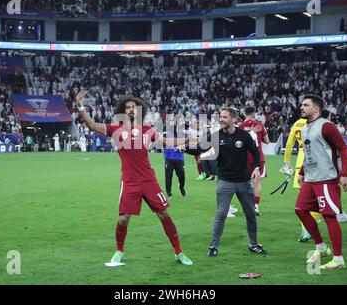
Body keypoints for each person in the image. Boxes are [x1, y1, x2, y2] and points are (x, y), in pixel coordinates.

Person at [76, 91, 193, 266]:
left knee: (164, 214)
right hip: (130, 181)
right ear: (122, 111)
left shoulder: (147, 130)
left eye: (133, 108)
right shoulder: (116, 130)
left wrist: (187, 139)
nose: (131, 110)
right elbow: (93, 125)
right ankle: (119, 251)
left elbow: (166, 142)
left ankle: (179, 252)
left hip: (149, 180)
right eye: (127, 108)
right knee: (123, 219)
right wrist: (81, 107)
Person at [184, 107, 267, 258]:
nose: (221, 119)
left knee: (250, 214)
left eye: (224, 117)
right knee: (221, 214)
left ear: (234, 119)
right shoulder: (216, 136)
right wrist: (185, 148)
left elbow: (255, 152)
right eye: (220, 117)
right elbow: (199, 149)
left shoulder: (244, 135)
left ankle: (253, 244)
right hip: (225, 181)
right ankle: (214, 246)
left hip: (243, 181)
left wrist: (256, 168)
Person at [296, 94, 347, 270]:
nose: (301, 107)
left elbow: (343, 147)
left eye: (306, 105)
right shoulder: (305, 128)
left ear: (316, 109)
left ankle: (338, 259)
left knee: (329, 216)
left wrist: (345, 173)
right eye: (301, 105)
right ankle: (321, 248)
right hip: (311, 179)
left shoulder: (326, 126)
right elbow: (308, 151)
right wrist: (302, 171)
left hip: (326, 179)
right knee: (300, 210)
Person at [282, 111, 347, 242]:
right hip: (317, 166)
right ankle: (308, 232)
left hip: (303, 163)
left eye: (305, 105)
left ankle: (311, 233)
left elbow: (288, 145)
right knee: (311, 205)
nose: (302, 107)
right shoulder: (315, 126)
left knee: (307, 205)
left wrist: (287, 162)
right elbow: (341, 148)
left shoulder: (299, 125)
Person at [239, 106, 270, 216]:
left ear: (245, 114)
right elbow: (267, 141)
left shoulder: (240, 126)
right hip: (258, 158)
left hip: (244, 158)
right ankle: (256, 206)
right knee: (257, 183)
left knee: (244, 183)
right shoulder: (260, 125)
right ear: (254, 114)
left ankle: (248, 205)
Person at [163, 121, 186, 199]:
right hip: (169, 159)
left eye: (174, 124)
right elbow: (163, 143)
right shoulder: (165, 134)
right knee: (168, 176)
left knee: (182, 176)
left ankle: (181, 187)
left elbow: (185, 146)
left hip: (179, 158)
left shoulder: (181, 135)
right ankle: (169, 193)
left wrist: (182, 148)